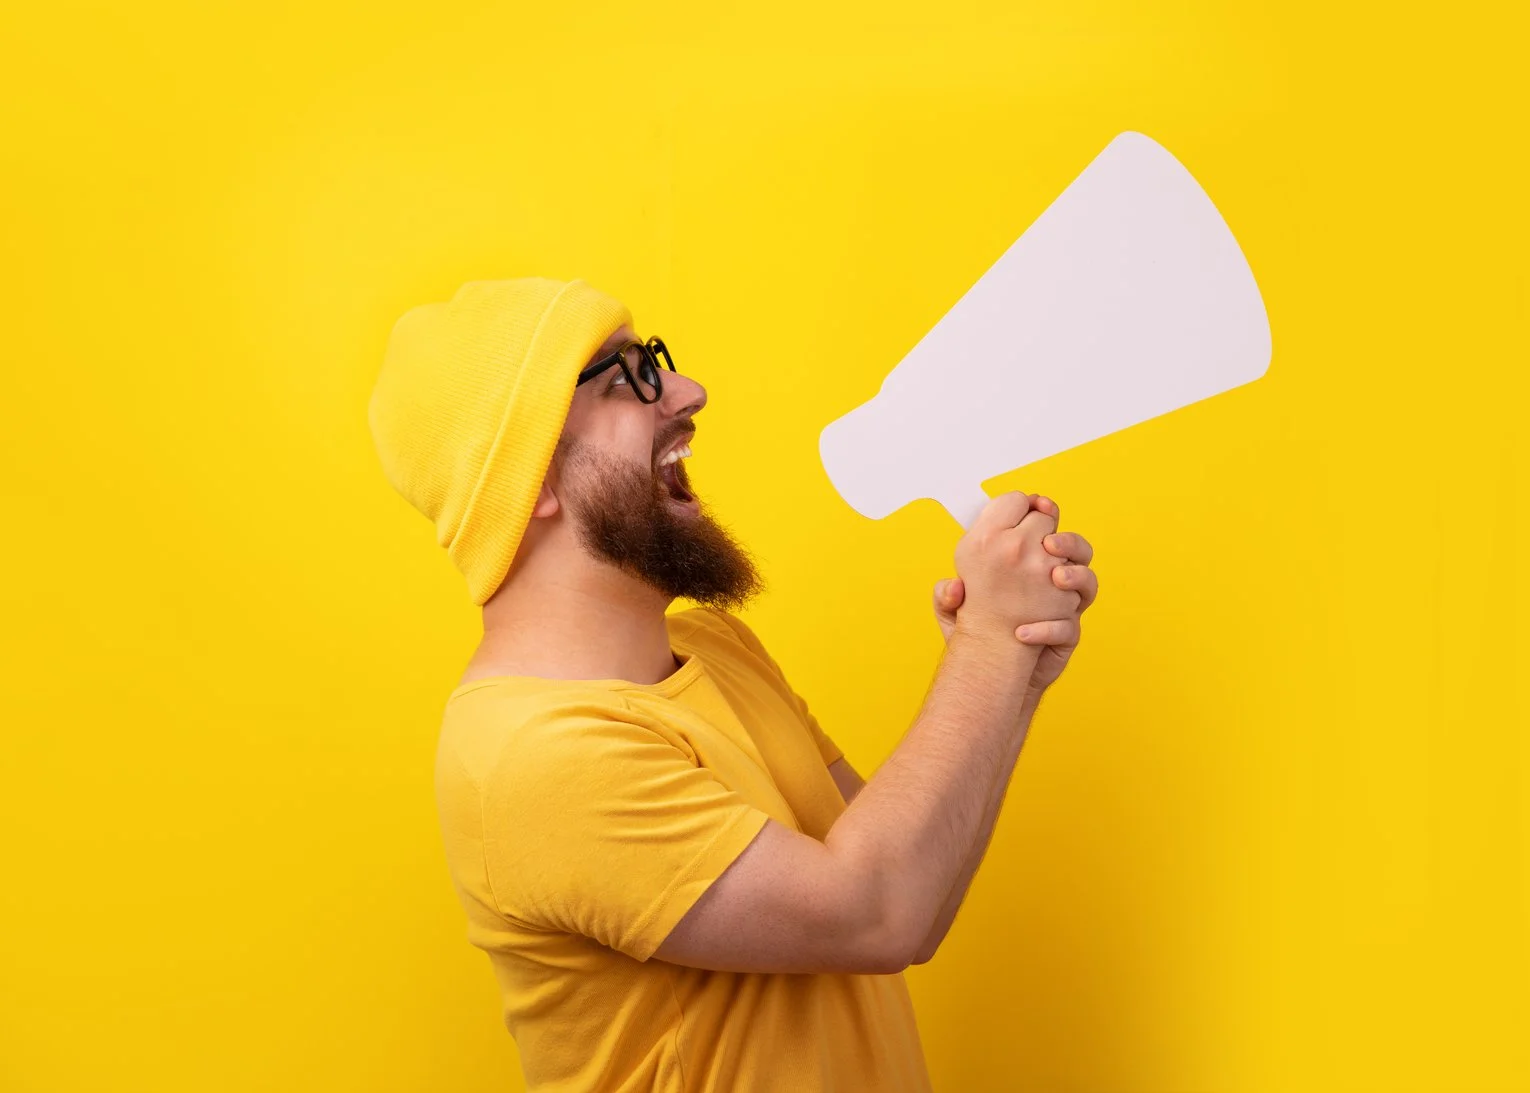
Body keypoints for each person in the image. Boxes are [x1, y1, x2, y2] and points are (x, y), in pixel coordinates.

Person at [367, 277, 1098, 1092]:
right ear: (529, 477)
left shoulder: (715, 648)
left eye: (657, 361)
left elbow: (914, 885)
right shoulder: (532, 757)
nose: (688, 391)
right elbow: (876, 912)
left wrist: (1011, 665)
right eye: (626, 378)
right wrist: (989, 645)